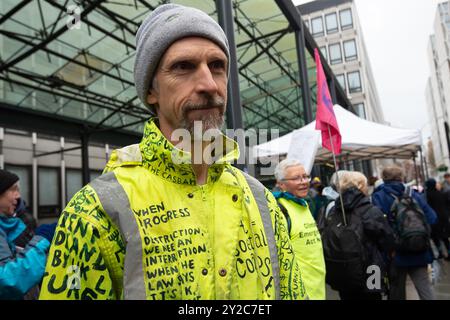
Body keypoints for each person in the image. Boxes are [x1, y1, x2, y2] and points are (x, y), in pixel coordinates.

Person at [39, 4, 306, 300]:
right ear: (151, 91)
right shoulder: (93, 212)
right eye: (183, 67)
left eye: (217, 66)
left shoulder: (261, 201)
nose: (208, 84)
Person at [320, 171, 395, 300]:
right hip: (372, 270)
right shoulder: (370, 210)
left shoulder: (334, 209)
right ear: (361, 186)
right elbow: (387, 240)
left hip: (344, 272)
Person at [372, 165, 437, 300]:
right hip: (419, 248)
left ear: (383, 178)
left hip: (395, 253)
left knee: (397, 290)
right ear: (401, 177)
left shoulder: (379, 196)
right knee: (424, 287)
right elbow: (432, 218)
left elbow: (378, 226)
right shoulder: (414, 194)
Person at [273, 160, 326, 300]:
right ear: (281, 183)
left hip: (317, 290)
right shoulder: (278, 210)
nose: (304, 182)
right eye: (296, 178)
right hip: (298, 295)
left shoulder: (303, 204)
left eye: (305, 176)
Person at [0, 169, 56, 299]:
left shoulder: (10, 226)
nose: (18, 196)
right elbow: (6, 282)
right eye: (13, 189)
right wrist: (42, 241)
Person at [425, 178, 450, 260]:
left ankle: (440, 253)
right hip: (444, 217)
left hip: (433, 219)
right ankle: (449, 253)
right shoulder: (442, 194)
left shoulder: (427, 195)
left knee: (435, 237)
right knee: (445, 237)